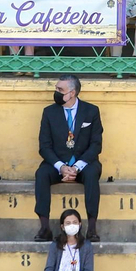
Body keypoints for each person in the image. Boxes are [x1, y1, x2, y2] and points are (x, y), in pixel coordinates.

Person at [35, 75, 103, 242]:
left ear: (72, 93)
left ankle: (92, 228)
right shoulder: (49, 112)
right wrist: (61, 167)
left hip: (83, 163)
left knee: (93, 174)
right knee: (41, 174)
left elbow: (96, 145)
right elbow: (44, 146)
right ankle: (44, 228)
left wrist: (77, 167)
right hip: (57, 163)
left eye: (60, 90)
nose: (56, 92)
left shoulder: (91, 111)